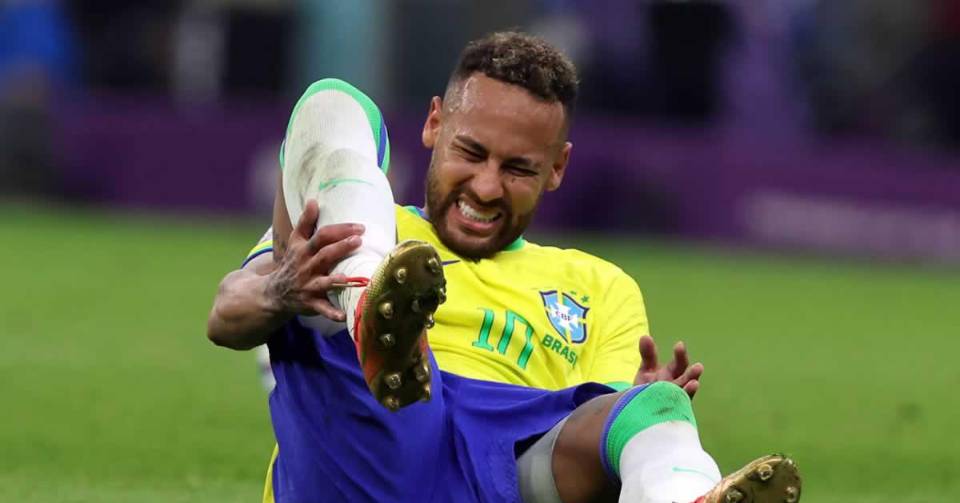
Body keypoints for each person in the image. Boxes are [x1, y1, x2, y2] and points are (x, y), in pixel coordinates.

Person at [207, 31, 801, 503]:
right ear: (434, 124)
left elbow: (586, 444)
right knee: (337, 102)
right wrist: (282, 289)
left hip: (501, 466)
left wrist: (637, 411)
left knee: (656, 411)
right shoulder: (360, 221)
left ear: (557, 167)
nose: (487, 187)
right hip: (360, 440)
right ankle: (371, 306)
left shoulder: (600, 287)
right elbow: (226, 316)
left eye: (517, 169)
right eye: (471, 153)